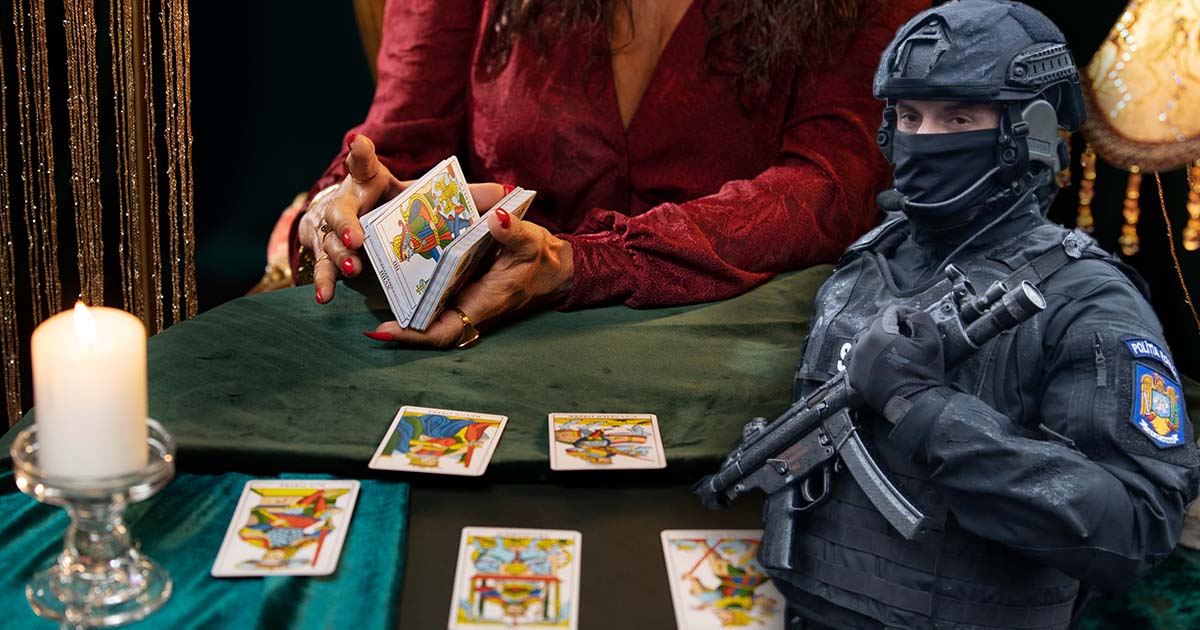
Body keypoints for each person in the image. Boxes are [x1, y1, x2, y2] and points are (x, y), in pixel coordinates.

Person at [767, 1, 1200, 629]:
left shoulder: (1086, 298)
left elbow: (1135, 528)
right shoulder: (866, 261)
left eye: (958, 117)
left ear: (1027, 131)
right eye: (910, 116)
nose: (924, 139)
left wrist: (927, 411)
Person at [286, 0, 929, 348]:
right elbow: (396, 149)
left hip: (737, 359)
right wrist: (352, 216)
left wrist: (580, 263)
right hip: (488, 348)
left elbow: (832, 188)